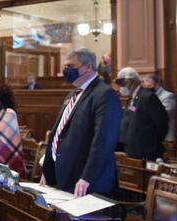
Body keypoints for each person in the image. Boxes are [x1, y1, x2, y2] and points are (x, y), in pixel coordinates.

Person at [40, 48, 122, 196]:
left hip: (87, 181)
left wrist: (87, 177)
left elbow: (103, 141)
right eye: (65, 66)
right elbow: (59, 131)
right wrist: (49, 169)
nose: (66, 70)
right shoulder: (73, 93)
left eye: (70, 66)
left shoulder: (104, 95)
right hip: (65, 175)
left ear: (88, 67)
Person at [116, 67, 169, 161]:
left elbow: (162, 123)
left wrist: (151, 142)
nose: (119, 87)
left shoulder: (148, 97)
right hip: (131, 150)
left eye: (120, 83)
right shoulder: (133, 97)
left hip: (146, 151)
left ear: (129, 82)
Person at [142, 74, 176, 142]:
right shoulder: (146, 95)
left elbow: (165, 113)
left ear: (156, 83)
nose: (145, 84)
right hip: (151, 135)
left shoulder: (168, 95)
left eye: (147, 81)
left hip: (165, 136)